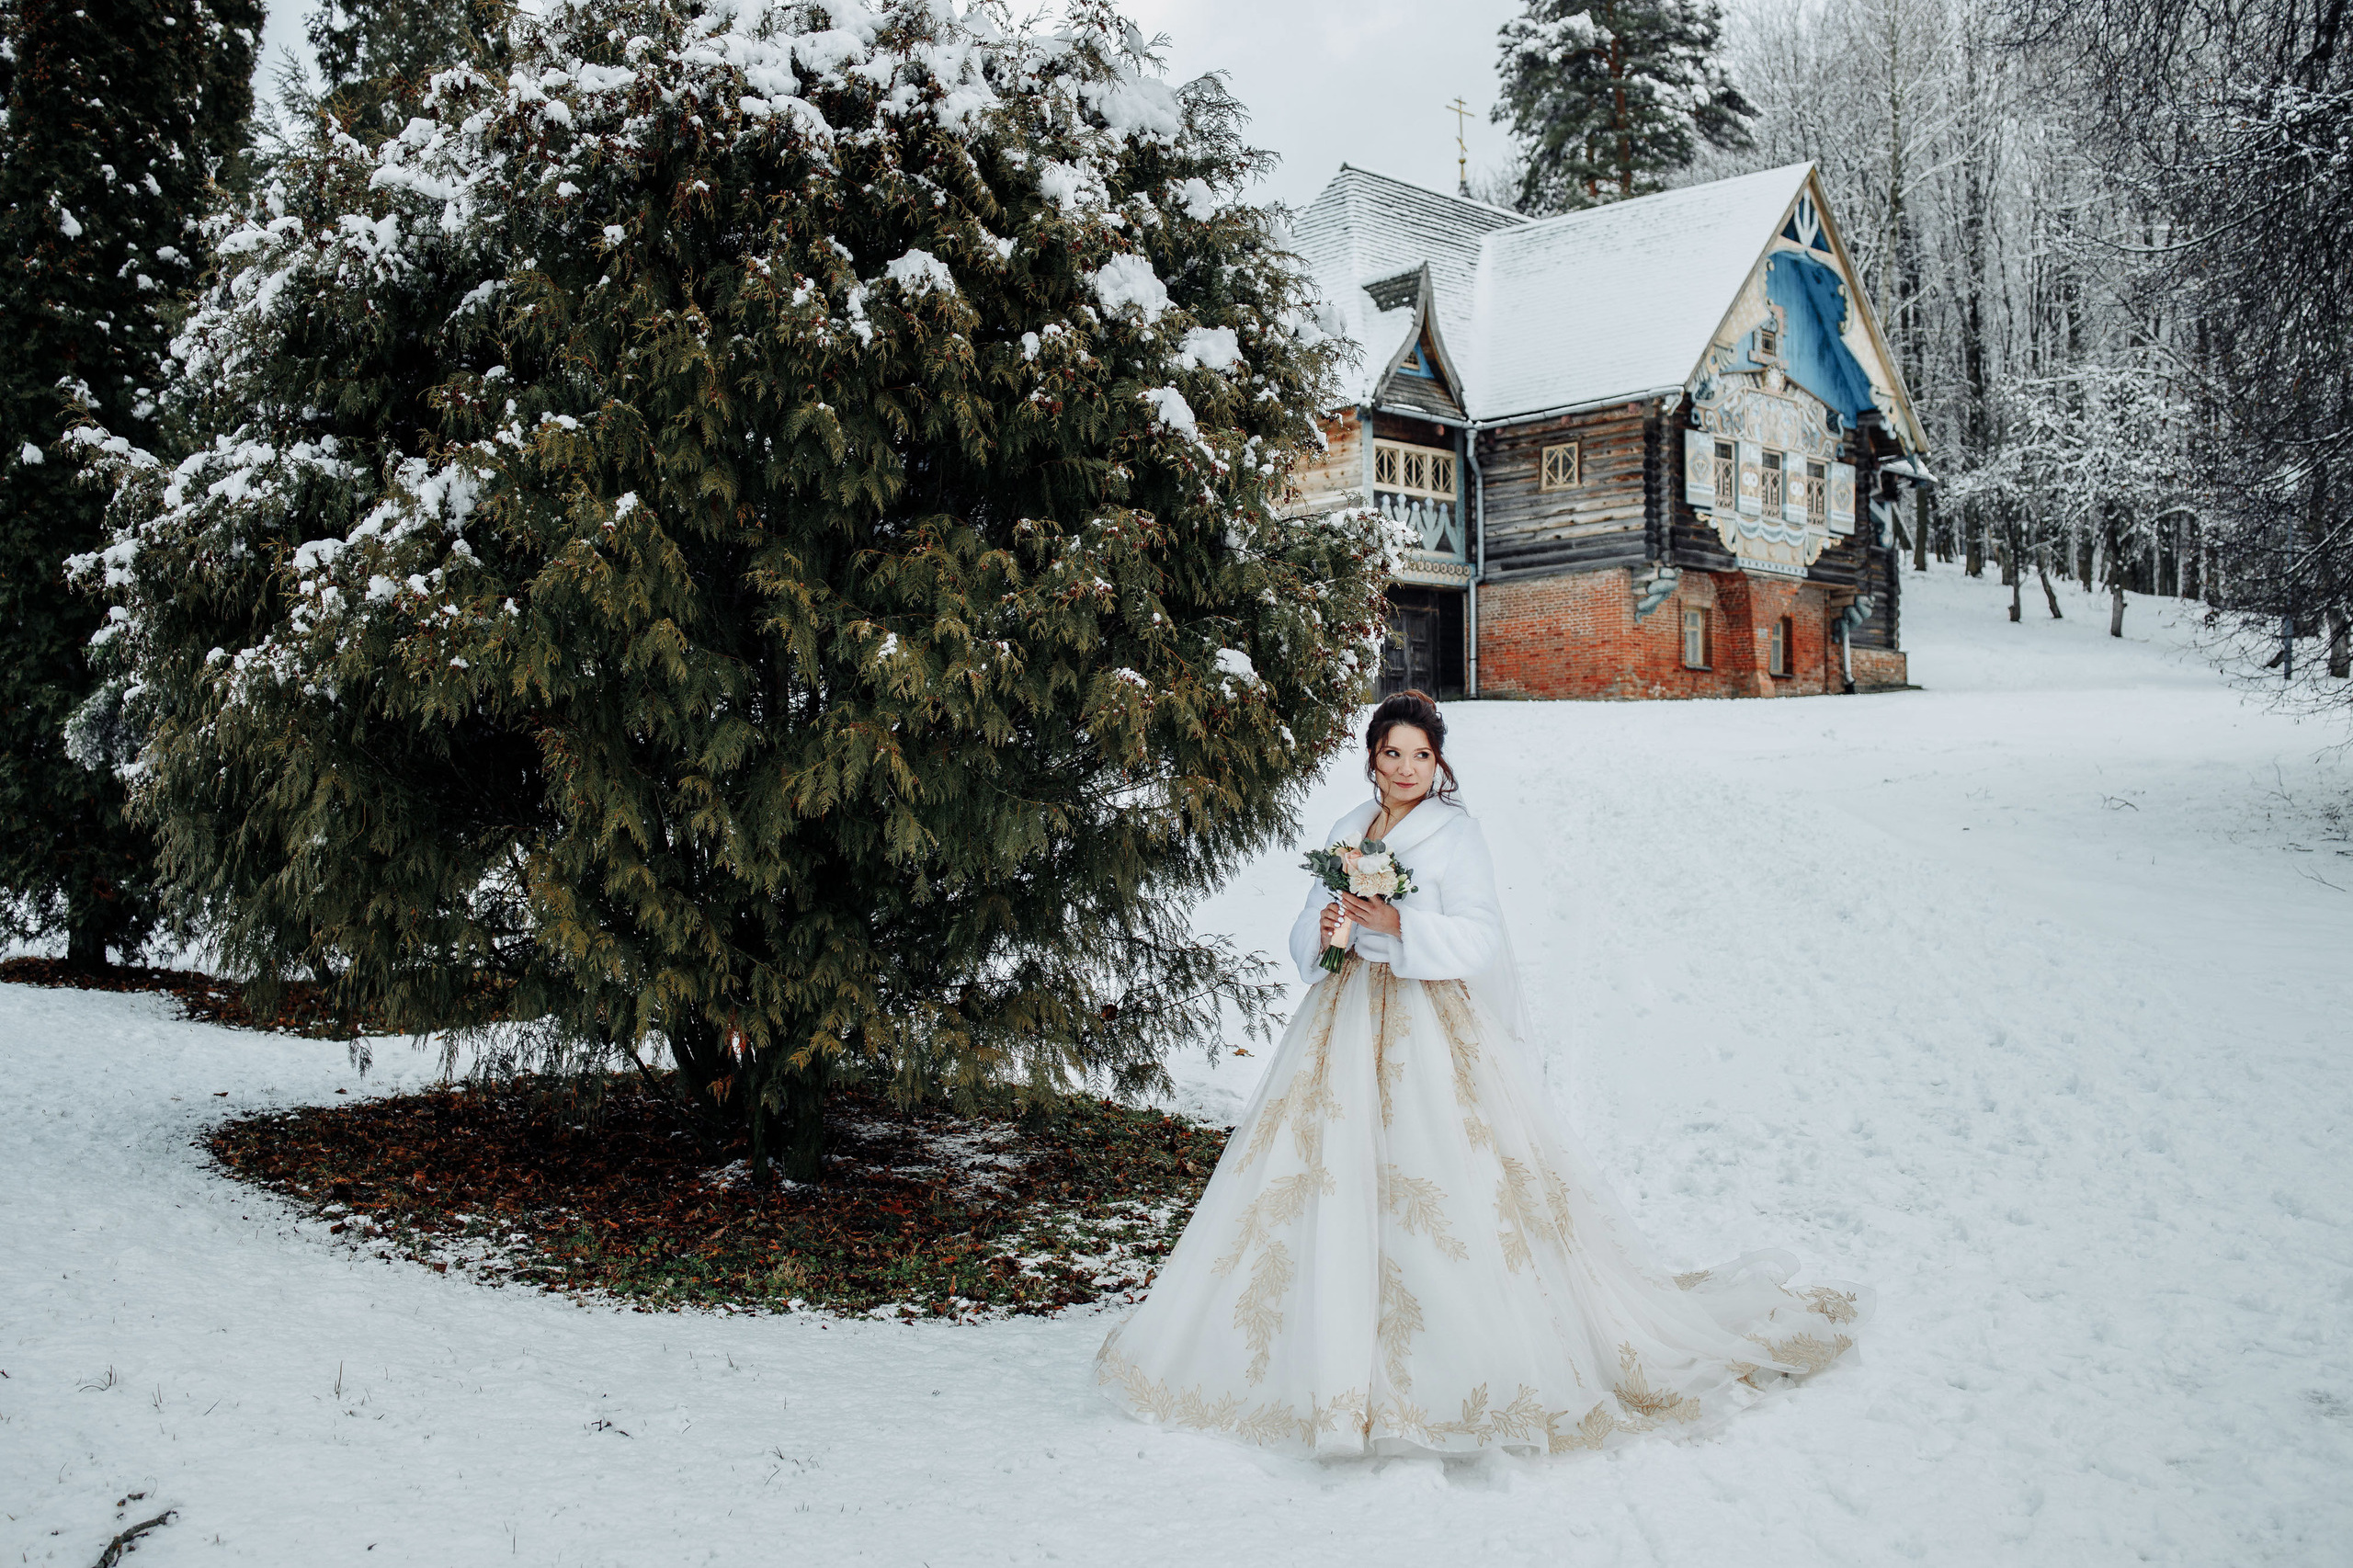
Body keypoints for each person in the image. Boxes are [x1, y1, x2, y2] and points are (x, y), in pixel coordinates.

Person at [1094, 689, 1869, 1458]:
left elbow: (1481, 937)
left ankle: (1448, 1346)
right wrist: (1326, 930)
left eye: (1421, 755)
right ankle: (1319, 1344)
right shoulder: (1346, 830)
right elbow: (1310, 921)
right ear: (1373, 759)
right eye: (1393, 753)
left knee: (1436, 1174)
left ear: (1438, 763)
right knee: (1325, 1170)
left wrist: (1400, 924)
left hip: (1424, 1018)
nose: (1406, 769)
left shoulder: (1455, 835)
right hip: (1342, 1016)